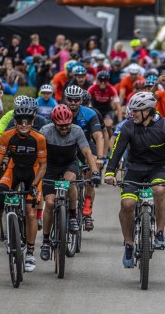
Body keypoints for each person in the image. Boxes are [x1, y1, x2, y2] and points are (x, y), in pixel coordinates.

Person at [103, 92, 165, 267]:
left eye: (135, 111)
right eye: (131, 110)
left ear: (148, 111)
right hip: (132, 169)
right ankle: (128, 244)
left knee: (159, 190)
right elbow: (117, 150)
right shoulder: (128, 126)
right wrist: (110, 172)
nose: (131, 113)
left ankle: (159, 233)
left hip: (157, 168)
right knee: (127, 204)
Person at [0, 102, 47, 273]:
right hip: (14, 170)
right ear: (15, 121)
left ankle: (30, 251)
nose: (23, 124)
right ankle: (4, 224)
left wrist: (35, 185)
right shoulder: (7, 136)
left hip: (33, 173)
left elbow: (43, 166)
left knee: (30, 212)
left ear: (33, 121)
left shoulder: (39, 139)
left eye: (27, 121)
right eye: (20, 120)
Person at [38, 105, 99, 261]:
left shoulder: (77, 130)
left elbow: (87, 152)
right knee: (50, 204)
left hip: (69, 164)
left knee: (70, 180)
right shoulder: (45, 131)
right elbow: (35, 151)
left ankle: (72, 216)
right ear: (54, 123)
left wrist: (95, 172)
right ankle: (45, 241)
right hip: (50, 167)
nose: (65, 128)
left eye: (67, 125)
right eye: (61, 126)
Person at [63, 85, 105, 231]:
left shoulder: (89, 113)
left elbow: (98, 135)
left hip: (84, 145)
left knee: (92, 163)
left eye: (76, 99)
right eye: (70, 99)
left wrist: (100, 157)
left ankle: (87, 207)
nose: (73, 102)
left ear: (81, 100)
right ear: (65, 99)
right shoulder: (60, 112)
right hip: (66, 147)